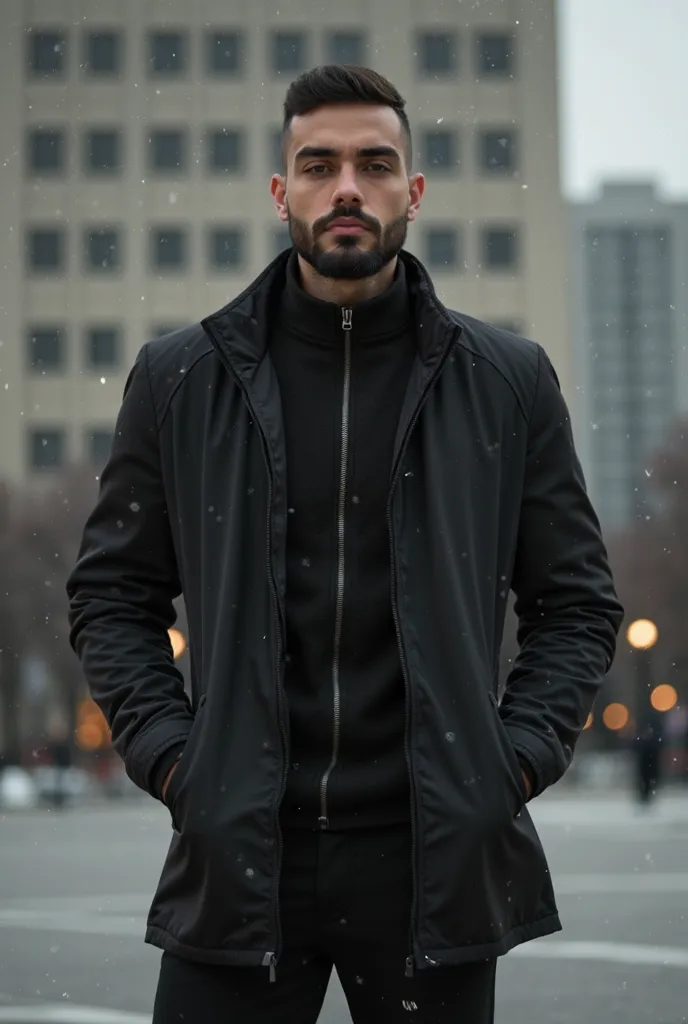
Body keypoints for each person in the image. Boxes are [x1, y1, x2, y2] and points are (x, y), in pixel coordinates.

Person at [66, 64, 623, 1024]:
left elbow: (577, 604)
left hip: (430, 856)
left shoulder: (508, 382)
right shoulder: (179, 377)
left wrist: (511, 762)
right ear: (283, 193)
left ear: (414, 190)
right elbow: (113, 595)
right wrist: (172, 760)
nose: (348, 189)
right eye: (319, 166)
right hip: (240, 846)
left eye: (375, 163)